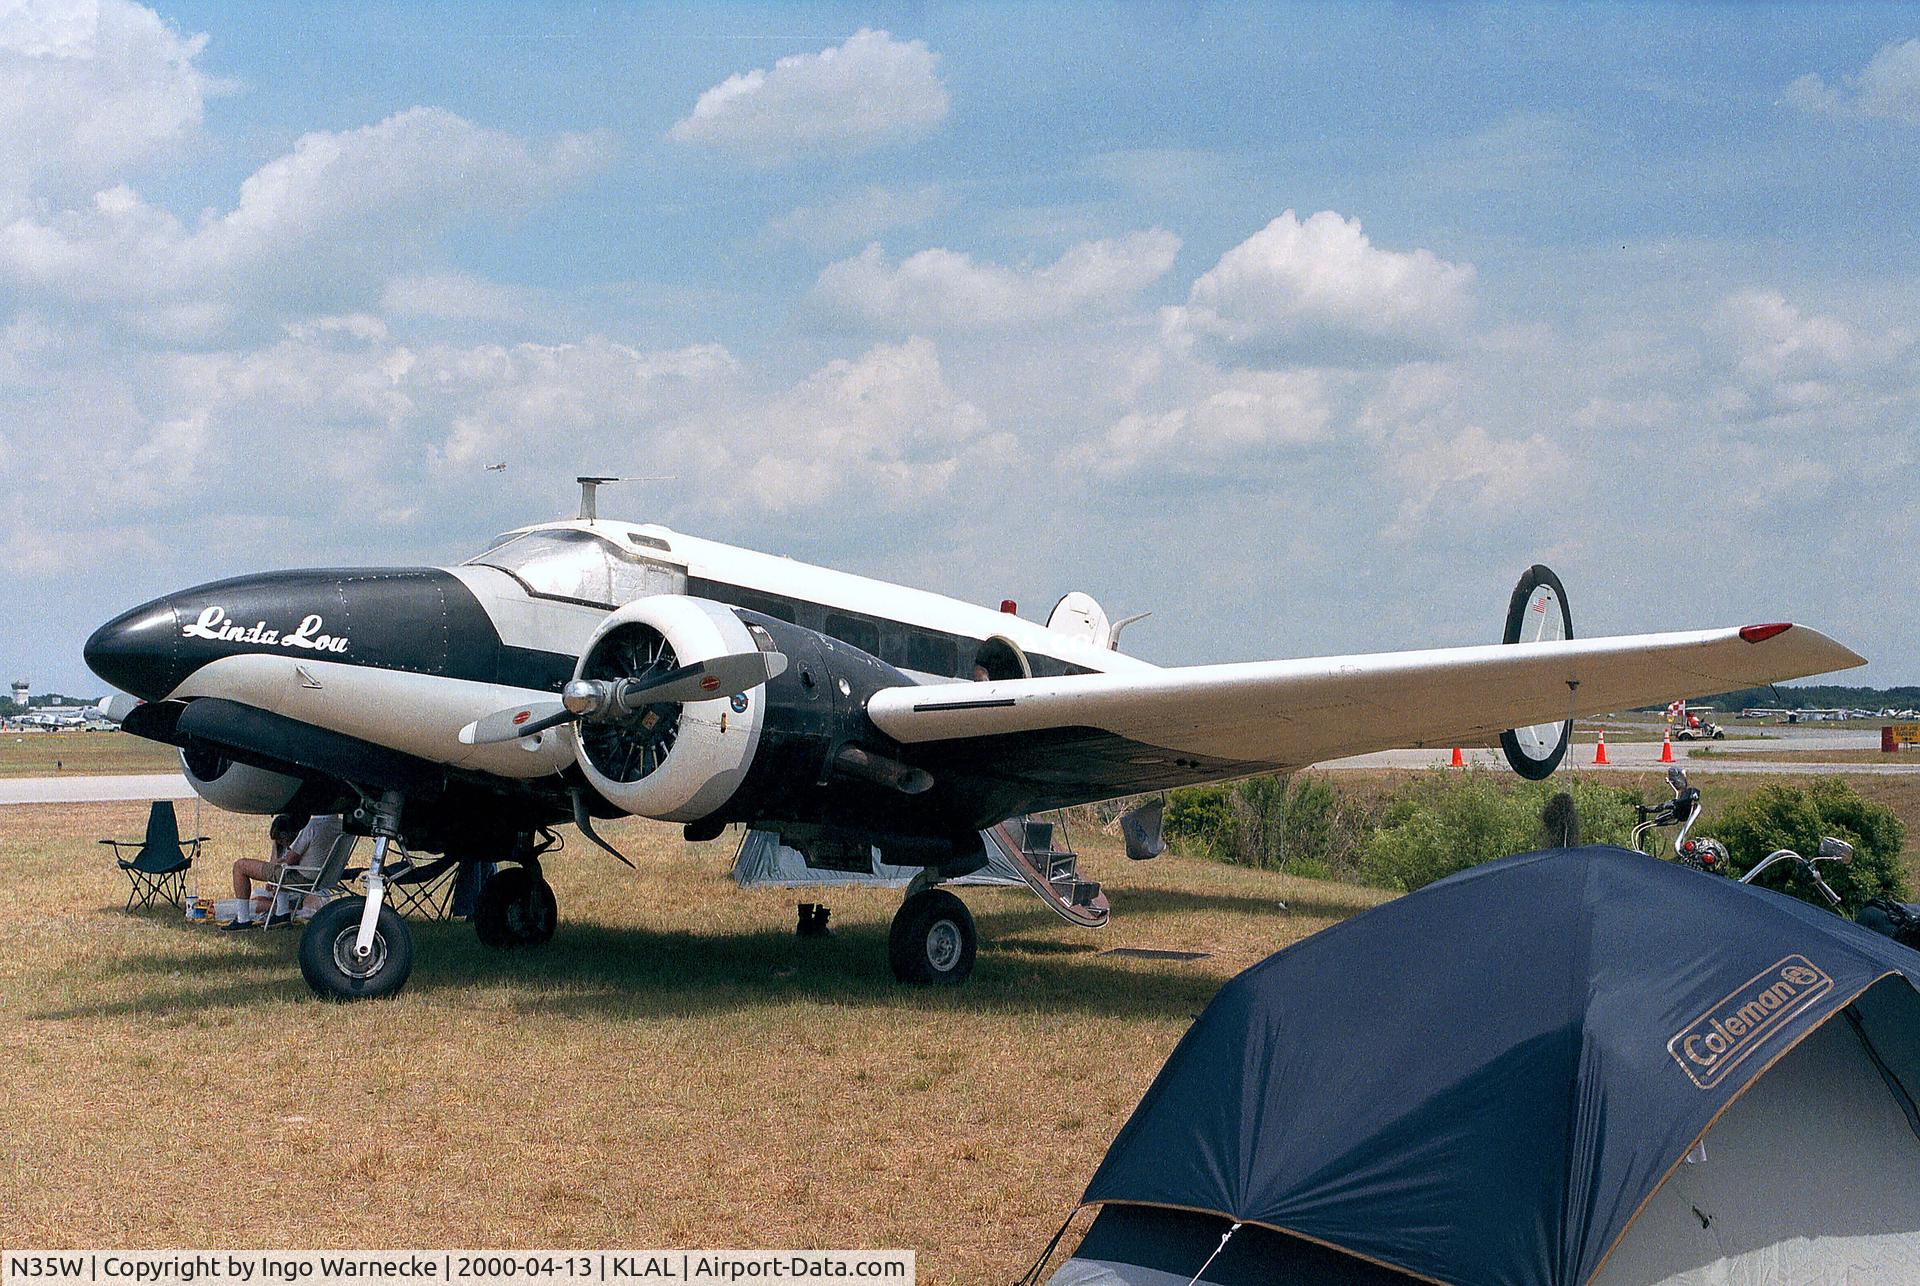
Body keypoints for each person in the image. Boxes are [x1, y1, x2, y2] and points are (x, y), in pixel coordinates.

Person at [223, 812, 344, 929]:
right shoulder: (341, 826)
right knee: (278, 873)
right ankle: (282, 912)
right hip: (323, 876)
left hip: (302, 877)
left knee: (240, 866)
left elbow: (289, 860)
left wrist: (277, 860)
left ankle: (243, 919)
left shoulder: (313, 827)